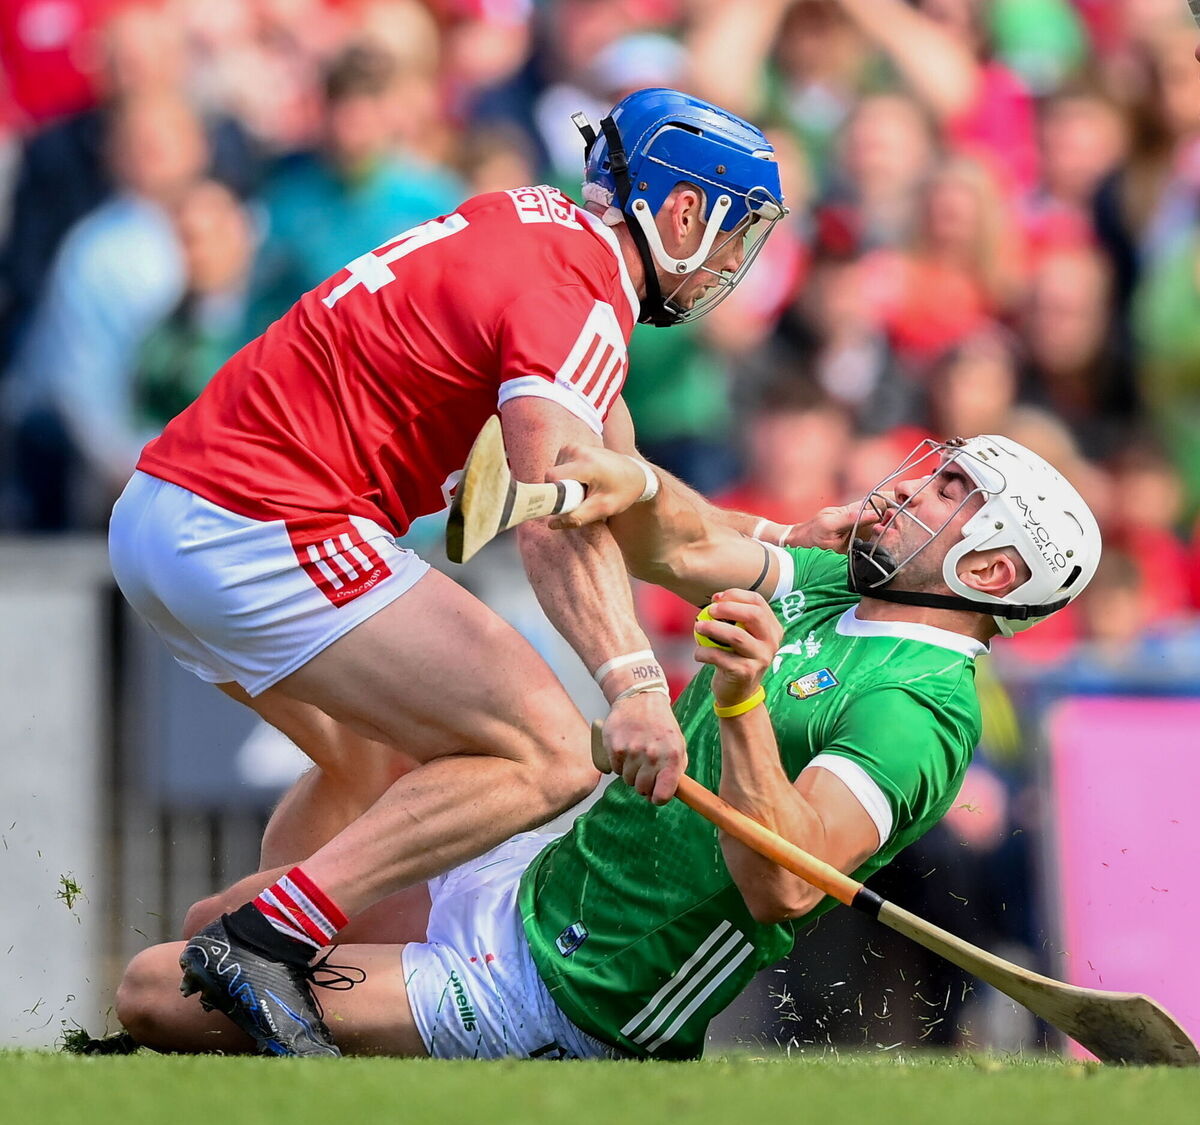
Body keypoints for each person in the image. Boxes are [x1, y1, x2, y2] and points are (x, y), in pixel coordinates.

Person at [105, 87, 790, 1058]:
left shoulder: (534, 228)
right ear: (683, 212)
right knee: (549, 752)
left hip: (165, 510)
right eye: (734, 232)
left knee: (376, 769)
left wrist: (787, 544)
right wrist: (634, 685)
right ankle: (263, 942)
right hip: (263, 520)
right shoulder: (577, 298)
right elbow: (556, 512)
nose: (731, 262)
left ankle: (223, 974)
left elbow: (632, 500)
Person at [115, 433, 1101, 1060]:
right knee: (218, 926)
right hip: (533, 887)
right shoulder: (836, 582)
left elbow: (785, 885)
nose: (907, 488)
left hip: (576, 994)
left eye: (947, 491)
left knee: (160, 988)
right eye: (933, 470)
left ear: (991, 569)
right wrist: (638, 479)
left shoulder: (920, 708)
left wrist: (740, 701)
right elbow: (680, 544)